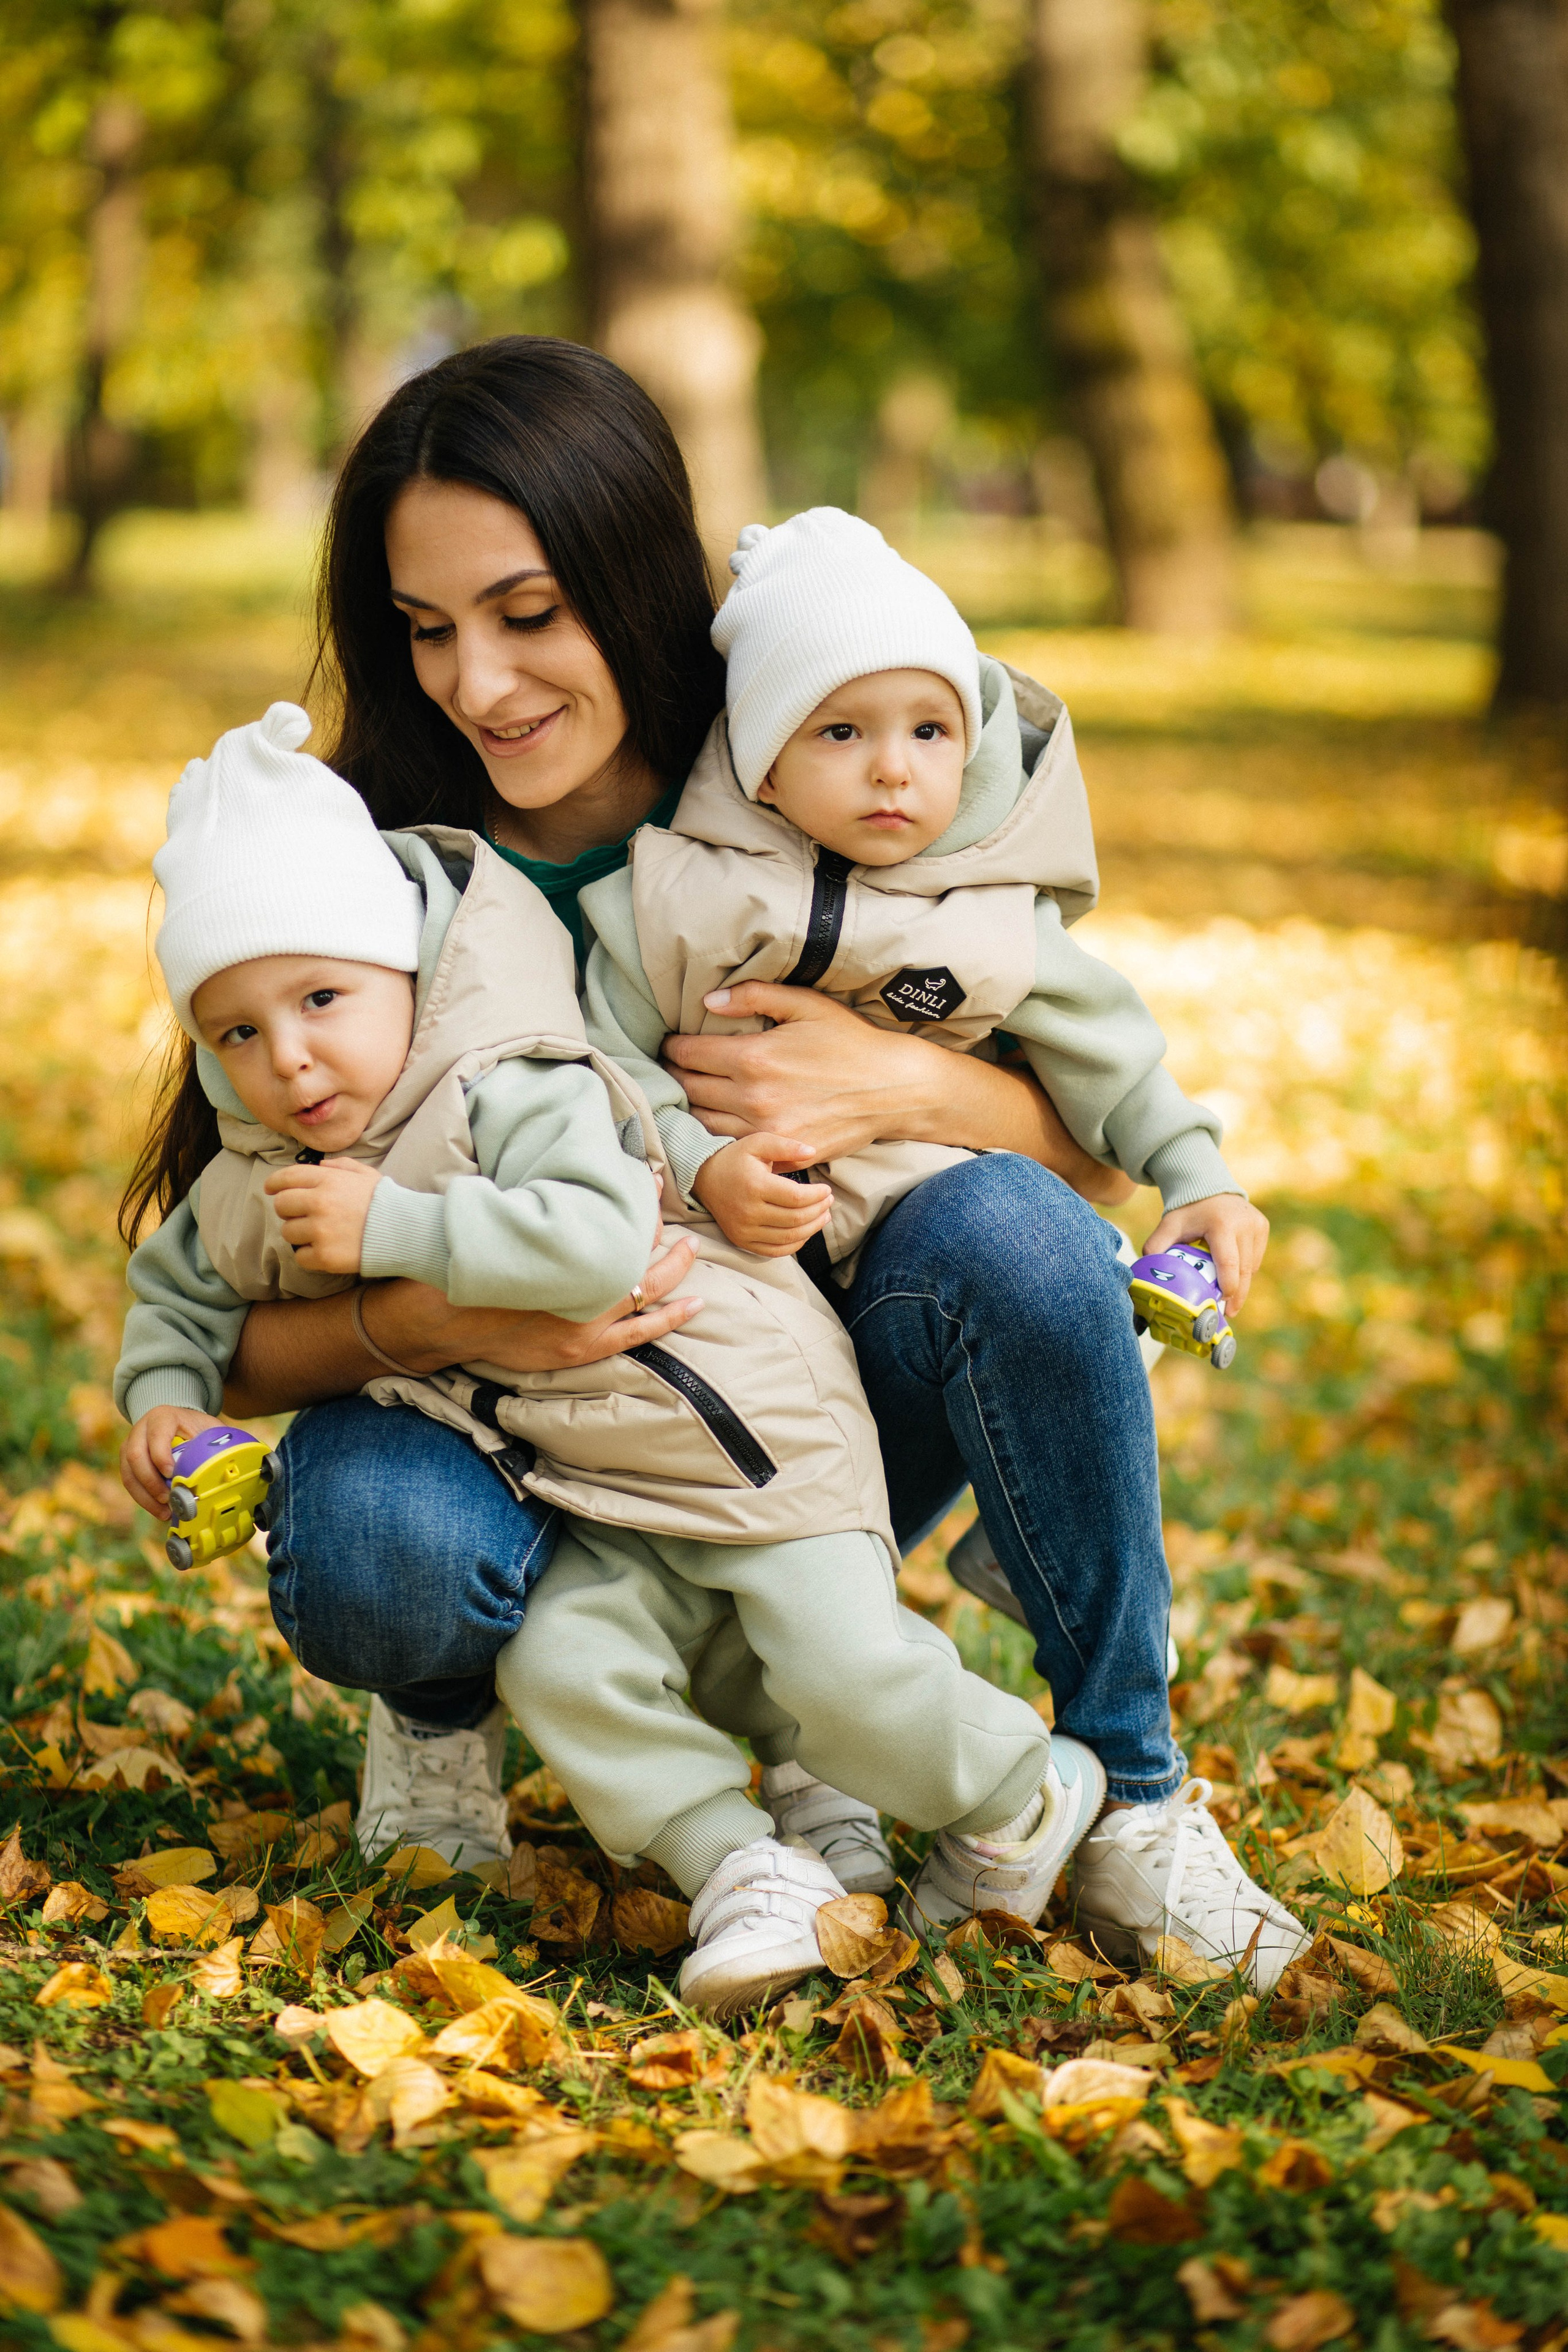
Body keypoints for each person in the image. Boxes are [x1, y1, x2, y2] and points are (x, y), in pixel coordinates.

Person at [168, 334, 1302, 1992]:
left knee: (1019, 1237)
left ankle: (1127, 1796)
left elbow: (1083, 1197)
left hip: (795, 1418)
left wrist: (906, 1080)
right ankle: (448, 1722)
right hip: (510, 1455)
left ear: (631, 578)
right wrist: (455, 1315)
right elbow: (229, 1308)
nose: (477, 684)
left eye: (527, 612)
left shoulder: (823, 787)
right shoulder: (346, 884)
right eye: (427, 631)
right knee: (372, 1537)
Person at [114, 698, 1104, 2017]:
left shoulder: (509, 1081)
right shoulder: (262, 1167)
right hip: (594, 1489)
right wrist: (167, 1402)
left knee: (838, 1675)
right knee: (564, 1665)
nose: (289, 1058)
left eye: (321, 998)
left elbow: (591, 1243)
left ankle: (1025, 1790)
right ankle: (739, 1869)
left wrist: (394, 1226)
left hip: (750, 1447)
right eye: (236, 1031)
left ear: (402, 969)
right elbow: (179, 1289)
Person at [576, 505, 1302, 1958]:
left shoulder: (989, 918)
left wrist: (1198, 1176)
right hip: (742, 1339)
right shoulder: (677, 897)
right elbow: (603, 1062)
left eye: (924, 726)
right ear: (764, 757)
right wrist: (707, 1160)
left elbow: (1116, 1061)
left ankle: (1131, 1800)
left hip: (920, 1307)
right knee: (785, 1550)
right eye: (838, 734)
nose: (892, 768)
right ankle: (812, 1756)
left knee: (1031, 1243)